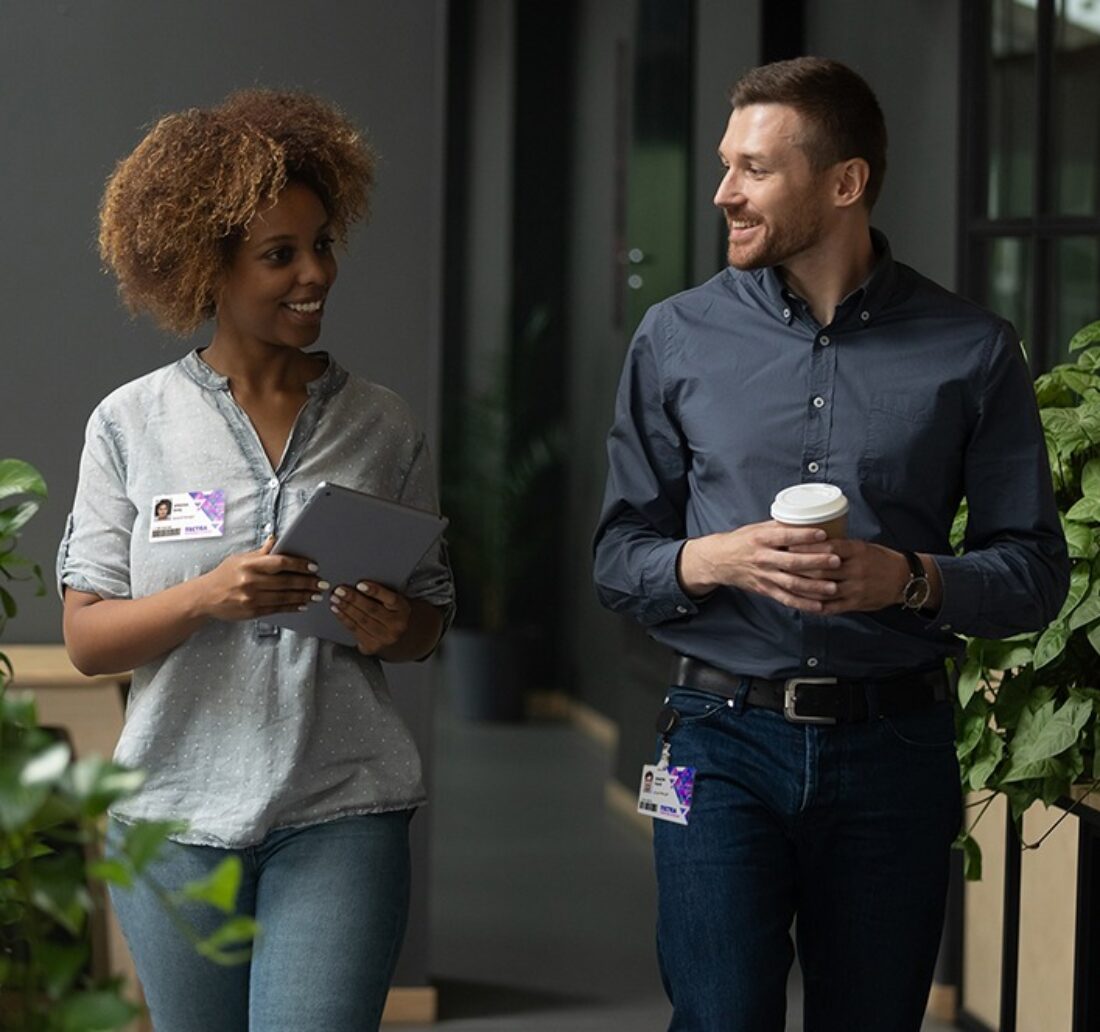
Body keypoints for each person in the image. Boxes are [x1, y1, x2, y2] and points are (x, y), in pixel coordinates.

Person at [593, 57, 1069, 1032]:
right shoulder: (671, 338)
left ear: (842, 183)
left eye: (753, 169)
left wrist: (910, 580)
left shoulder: (972, 350)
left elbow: (1031, 573)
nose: (722, 190)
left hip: (893, 749)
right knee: (718, 1018)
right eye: (726, 164)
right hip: (713, 739)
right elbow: (617, 561)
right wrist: (714, 558)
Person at [58, 90, 454, 1032]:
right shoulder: (129, 423)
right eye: (280, 255)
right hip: (171, 819)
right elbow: (85, 639)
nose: (314, 273)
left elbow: (431, 618)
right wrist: (206, 596)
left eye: (322, 245)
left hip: (343, 808)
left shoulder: (384, 424)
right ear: (209, 265)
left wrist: (396, 626)